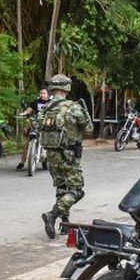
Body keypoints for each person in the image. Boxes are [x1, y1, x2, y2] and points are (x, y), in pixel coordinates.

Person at [38, 74, 90, 239]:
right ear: (67, 89)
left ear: (52, 89)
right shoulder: (73, 107)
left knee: (61, 189)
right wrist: (85, 111)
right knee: (77, 191)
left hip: (51, 155)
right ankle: (52, 215)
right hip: (69, 156)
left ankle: (64, 224)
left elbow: (39, 127)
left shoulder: (45, 109)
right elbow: (88, 128)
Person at [17, 86, 51, 170]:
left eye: (44, 93)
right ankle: (22, 162)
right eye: (41, 93)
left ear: (47, 94)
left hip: (47, 124)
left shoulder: (51, 102)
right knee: (27, 142)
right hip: (36, 123)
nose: (42, 95)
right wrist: (24, 113)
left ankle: (48, 158)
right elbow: (29, 109)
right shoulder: (36, 102)